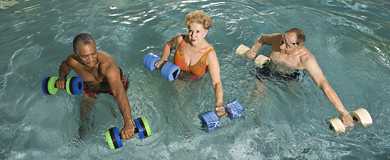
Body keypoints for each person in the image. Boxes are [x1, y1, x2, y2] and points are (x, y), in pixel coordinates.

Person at [247, 28, 354, 126]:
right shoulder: (278, 38)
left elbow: (323, 83)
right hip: (268, 68)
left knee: (294, 101)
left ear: (298, 46)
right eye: (282, 41)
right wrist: (254, 50)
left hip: (290, 76)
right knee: (257, 95)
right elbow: (262, 39)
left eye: (287, 45)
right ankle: (253, 120)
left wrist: (343, 111)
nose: (281, 46)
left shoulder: (306, 59)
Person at [56, 33, 135, 139]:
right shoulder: (72, 61)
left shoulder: (107, 65)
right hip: (92, 87)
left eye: (93, 54)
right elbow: (64, 66)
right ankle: (82, 137)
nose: (91, 59)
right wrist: (61, 78)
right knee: (84, 116)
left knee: (117, 113)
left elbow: (118, 92)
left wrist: (128, 122)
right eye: (85, 56)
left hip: (113, 86)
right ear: (76, 54)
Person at [155, 10, 225, 117]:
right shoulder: (180, 40)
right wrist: (163, 59)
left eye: (198, 31)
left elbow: (216, 82)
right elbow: (168, 45)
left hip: (195, 83)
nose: (193, 35)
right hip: (174, 77)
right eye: (190, 31)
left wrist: (219, 103)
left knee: (187, 111)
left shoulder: (210, 55)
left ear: (205, 32)